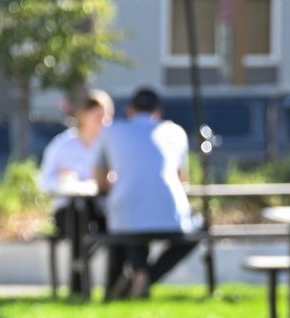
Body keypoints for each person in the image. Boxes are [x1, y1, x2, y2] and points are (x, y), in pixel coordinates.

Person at [96, 87, 201, 298]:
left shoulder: (112, 131)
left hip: (125, 218)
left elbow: (99, 178)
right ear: (158, 111)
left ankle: (140, 273)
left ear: (130, 110)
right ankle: (147, 275)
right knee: (197, 229)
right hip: (172, 218)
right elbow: (183, 178)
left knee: (130, 224)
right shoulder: (175, 131)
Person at [39, 89, 112, 297]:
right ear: (84, 115)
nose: (104, 121)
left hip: (101, 209)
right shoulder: (63, 145)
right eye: (98, 116)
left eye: (107, 116)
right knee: (79, 216)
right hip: (69, 212)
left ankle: (111, 286)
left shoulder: (110, 146)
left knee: (108, 222)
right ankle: (79, 284)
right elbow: (44, 182)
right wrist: (64, 180)